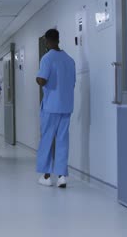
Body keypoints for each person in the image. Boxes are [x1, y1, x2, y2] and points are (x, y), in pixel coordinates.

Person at [36, 29, 75, 188]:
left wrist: (37, 78)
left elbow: (42, 80)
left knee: (47, 139)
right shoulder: (70, 60)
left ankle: (46, 176)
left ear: (47, 41)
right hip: (66, 106)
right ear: (58, 39)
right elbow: (72, 83)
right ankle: (61, 176)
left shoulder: (47, 58)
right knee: (62, 140)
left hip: (51, 106)